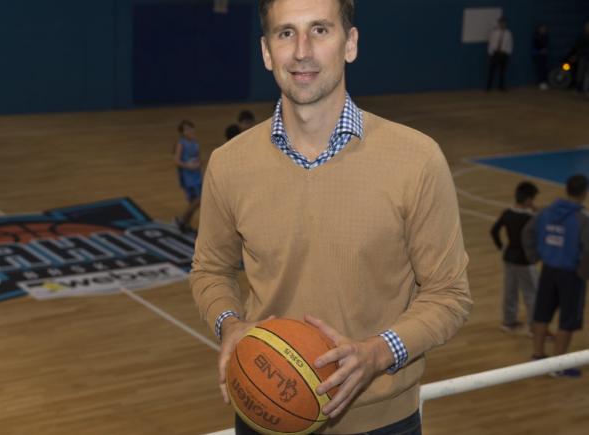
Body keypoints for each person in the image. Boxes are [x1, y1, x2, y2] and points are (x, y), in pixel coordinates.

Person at [190, 0, 472, 433]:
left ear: (350, 44)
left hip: (382, 421)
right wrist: (230, 323)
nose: (302, 51)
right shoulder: (230, 164)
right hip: (267, 410)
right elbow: (210, 269)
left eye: (320, 30)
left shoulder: (416, 160)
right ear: (267, 52)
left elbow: (449, 294)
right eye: (286, 34)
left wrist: (378, 352)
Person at [523, 174, 589, 377]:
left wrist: (534, 256)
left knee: (542, 314)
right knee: (568, 320)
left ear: (566, 189)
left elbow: (527, 231)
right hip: (571, 275)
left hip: (548, 270)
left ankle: (537, 356)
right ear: (585, 193)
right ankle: (558, 365)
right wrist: (583, 272)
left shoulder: (546, 211)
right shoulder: (583, 218)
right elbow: (588, 249)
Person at [490, 182, 539, 333]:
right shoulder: (530, 218)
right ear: (528, 200)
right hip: (524, 261)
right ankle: (533, 327)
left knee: (510, 291)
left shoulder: (507, 213)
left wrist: (501, 246)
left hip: (509, 257)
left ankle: (508, 322)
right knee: (531, 293)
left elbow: (494, 230)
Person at [173, 120, 202, 233]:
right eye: (187, 129)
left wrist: (199, 163)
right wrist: (188, 166)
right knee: (197, 200)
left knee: (193, 202)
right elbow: (176, 161)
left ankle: (185, 224)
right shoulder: (181, 143)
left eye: (191, 128)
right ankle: (182, 220)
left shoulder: (195, 142)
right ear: (182, 132)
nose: (190, 131)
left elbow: (198, 157)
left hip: (197, 175)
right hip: (188, 177)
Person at [487, 17, 513, 91]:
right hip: (495, 53)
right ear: (499, 23)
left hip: (504, 53)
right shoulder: (494, 32)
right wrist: (490, 52)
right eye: (501, 23)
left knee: (502, 71)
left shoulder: (508, 33)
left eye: (504, 23)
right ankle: (489, 86)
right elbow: (491, 42)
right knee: (492, 71)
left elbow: (510, 43)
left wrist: (508, 53)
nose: (503, 24)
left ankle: (501, 86)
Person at [571, 21, 589, 95]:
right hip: (582, 57)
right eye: (587, 26)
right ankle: (578, 88)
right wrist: (575, 55)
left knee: (588, 75)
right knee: (580, 73)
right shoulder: (581, 36)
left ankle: (586, 90)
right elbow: (577, 47)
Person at [531, 25, 549, 90]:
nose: (543, 30)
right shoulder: (536, 37)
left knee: (544, 69)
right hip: (538, 56)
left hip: (544, 56)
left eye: (544, 29)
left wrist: (545, 50)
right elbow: (534, 47)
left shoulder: (546, 37)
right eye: (542, 29)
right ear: (539, 29)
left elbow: (546, 46)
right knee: (539, 69)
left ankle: (544, 82)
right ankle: (541, 83)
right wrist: (539, 51)